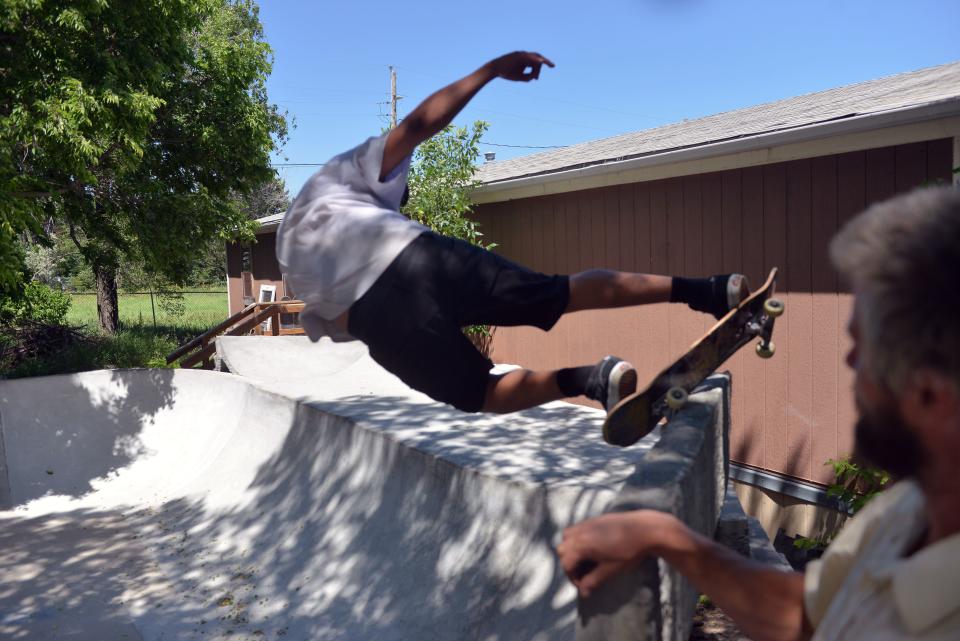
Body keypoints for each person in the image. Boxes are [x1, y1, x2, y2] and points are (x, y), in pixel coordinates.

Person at [557, 185, 960, 640]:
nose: (848, 364)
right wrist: (667, 538)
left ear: (929, 394)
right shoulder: (906, 513)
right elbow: (806, 616)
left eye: (860, 348)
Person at [276, 51, 749, 415]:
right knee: (560, 292)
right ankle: (708, 290)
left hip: (376, 318)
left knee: (480, 394)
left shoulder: (293, 256)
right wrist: (489, 70)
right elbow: (421, 123)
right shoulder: (341, 175)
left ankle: (591, 379)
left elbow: (338, 324)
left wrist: (407, 340)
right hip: (418, 255)